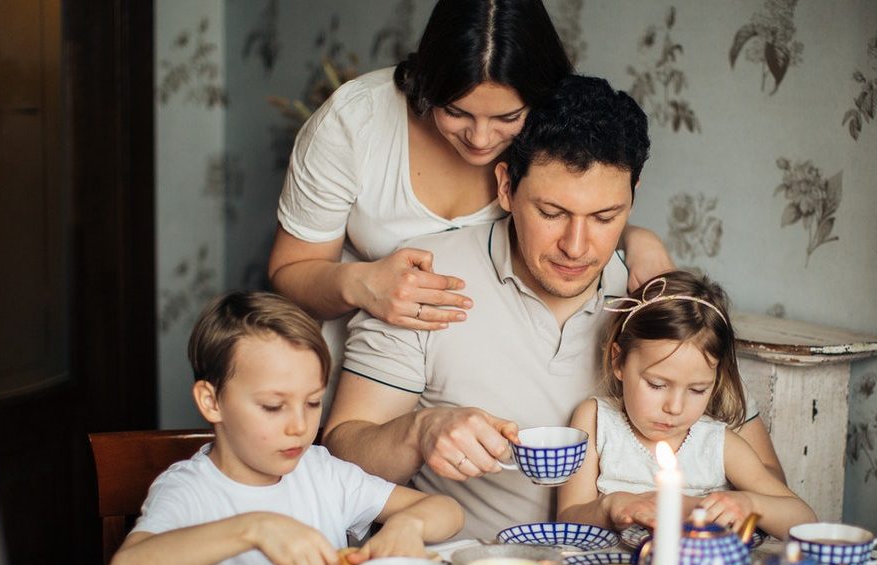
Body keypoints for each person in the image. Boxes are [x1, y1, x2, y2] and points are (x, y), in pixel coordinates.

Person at [324, 74, 785, 541]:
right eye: (551, 213)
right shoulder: (426, 278)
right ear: (506, 187)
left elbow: (768, 483)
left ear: (633, 197)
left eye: (605, 217)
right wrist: (419, 432)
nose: (577, 246)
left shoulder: (655, 297)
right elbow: (342, 452)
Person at [268, 0, 672, 387]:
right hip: (362, 373)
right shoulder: (355, 124)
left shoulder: (541, 136)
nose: (480, 139)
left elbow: (575, 206)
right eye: (456, 112)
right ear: (428, 84)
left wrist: (636, 238)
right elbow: (290, 271)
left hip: (480, 378)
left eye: (507, 117)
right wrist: (361, 284)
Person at [108, 292, 464, 565]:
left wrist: (408, 525)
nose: (299, 426)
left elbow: (447, 510)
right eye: (273, 406)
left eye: (312, 403)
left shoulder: (322, 473)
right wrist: (252, 529)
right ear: (211, 401)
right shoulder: (190, 489)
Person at [556, 271, 816, 538]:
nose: (675, 407)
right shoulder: (595, 421)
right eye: (657, 385)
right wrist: (608, 506)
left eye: (697, 389)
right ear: (619, 361)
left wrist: (751, 503)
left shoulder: (718, 444)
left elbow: (805, 521)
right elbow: (567, 519)